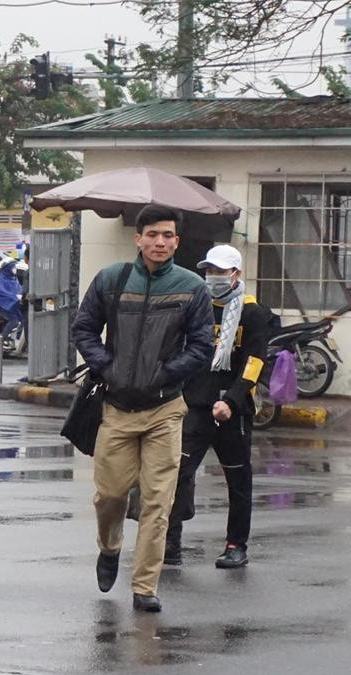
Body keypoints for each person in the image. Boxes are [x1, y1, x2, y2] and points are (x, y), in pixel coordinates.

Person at [72, 204, 213, 613]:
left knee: (157, 501)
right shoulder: (112, 279)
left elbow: (202, 346)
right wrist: (106, 366)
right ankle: (110, 547)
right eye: (153, 235)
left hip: (165, 409)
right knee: (110, 496)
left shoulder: (192, 287)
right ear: (139, 238)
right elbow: (84, 328)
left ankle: (145, 586)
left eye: (168, 235)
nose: (160, 242)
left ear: (177, 241)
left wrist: (167, 374)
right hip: (116, 407)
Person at [166, 244, 274, 570]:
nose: (212, 277)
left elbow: (254, 362)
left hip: (232, 410)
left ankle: (236, 545)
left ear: (235, 274)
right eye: (209, 271)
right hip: (196, 406)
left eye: (220, 271)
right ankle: (171, 541)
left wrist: (232, 399)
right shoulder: (197, 306)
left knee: (238, 481)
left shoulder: (254, 314)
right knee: (177, 474)